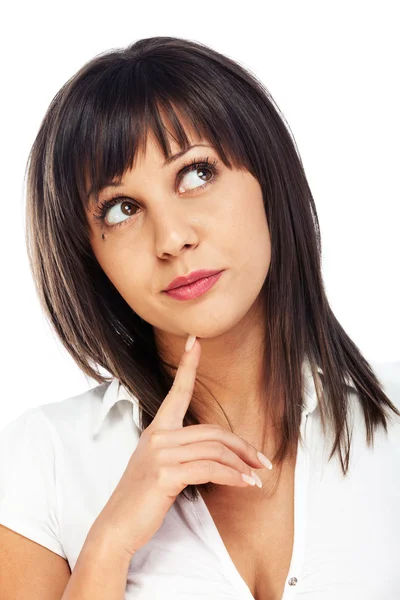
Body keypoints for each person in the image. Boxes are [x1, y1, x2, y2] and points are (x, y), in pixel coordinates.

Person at [0, 35, 399, 600]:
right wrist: (108, 546)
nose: (173, 239)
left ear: (268, 178)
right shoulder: (44, 460)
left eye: (196, 174)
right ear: (88, 253)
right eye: (122, 208)